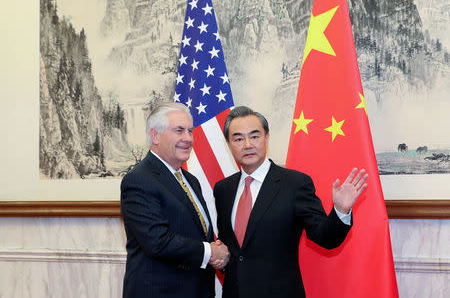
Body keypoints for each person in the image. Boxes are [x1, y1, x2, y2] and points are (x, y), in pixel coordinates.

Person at [214, 106, 368, 298]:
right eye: (238, 138)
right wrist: (221, 257)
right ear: (229, 144)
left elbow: (326, 238)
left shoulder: (295, 184)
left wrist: (340, 210)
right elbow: (231, 248)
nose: (247, 145)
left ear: (267, 138)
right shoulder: (222, 189)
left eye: (255, 136)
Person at [120, 102, 229, 298]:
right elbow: (157, 241)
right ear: (155, 136)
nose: (188, 138)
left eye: (190, 131)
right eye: (179, 130)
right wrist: (210, 252)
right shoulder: (139, 179)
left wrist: (216, 253)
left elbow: (196, 233)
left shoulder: (190, 181)